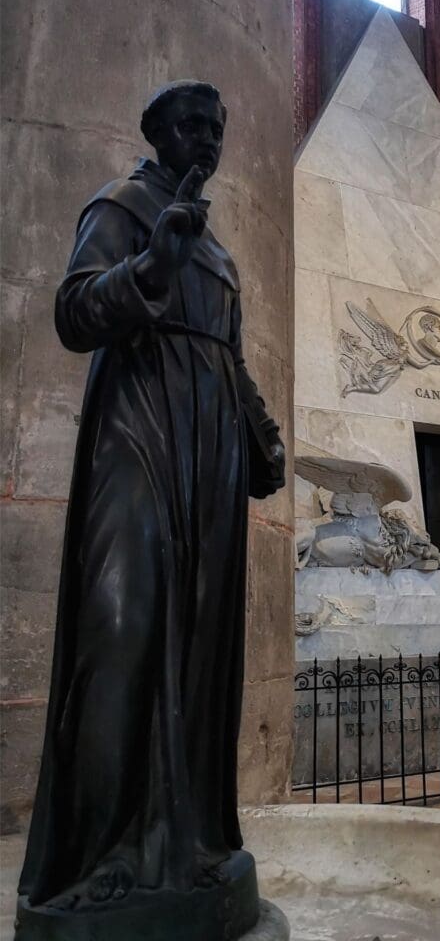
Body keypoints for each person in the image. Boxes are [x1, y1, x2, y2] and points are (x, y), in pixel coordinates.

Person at [18, 82, 285, 913]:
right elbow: (73, 311)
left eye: (216, 126)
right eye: (191, 125)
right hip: (137, 438)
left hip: (207, 455)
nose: (206, 138)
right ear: (157, 134)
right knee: (123, 636)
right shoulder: (123, 207)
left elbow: (229, 358)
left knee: (199, 646)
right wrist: (148, 265)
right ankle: (99, 856)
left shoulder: (223, 254)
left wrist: (260, 433)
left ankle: (185, 843)